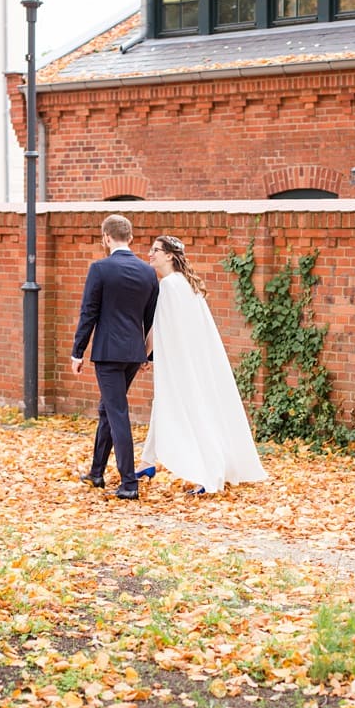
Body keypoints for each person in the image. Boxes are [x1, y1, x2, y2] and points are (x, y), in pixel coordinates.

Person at [138, 235, 268, 495]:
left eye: (155, 250)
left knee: (189, 412)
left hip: (180, 364)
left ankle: (208, 473)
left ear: (169, 256)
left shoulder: (171, 286)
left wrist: (146, 353)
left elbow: (164, 328)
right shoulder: (184, 284)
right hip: (189, 361)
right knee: (162, 404)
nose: (150, 254)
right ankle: (146, 462)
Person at [70, 214, 159, 501]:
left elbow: (89, 313)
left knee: (117, 412)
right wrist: (149, 356)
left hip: (108, 354)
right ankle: (96, 472)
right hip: (133, 353)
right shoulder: (148, 272)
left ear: (106, 237)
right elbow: (152, 318)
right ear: (130, 238)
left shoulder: (100, 269)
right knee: (108, 410)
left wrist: (77, 351)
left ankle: (129, 482)